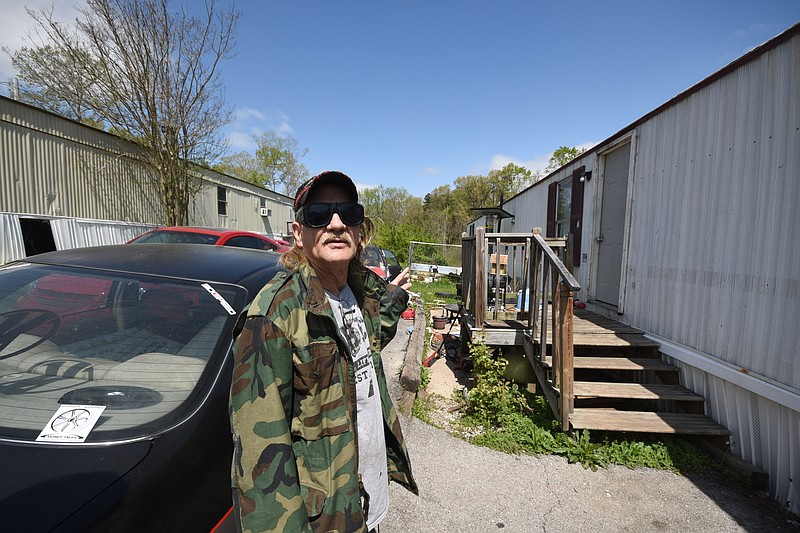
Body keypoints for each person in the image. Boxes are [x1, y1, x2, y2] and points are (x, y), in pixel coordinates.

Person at [230, 170, 418, 532]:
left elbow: (363, 352)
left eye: (348, 213)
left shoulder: (361, 294)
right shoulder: (274, 316)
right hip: (323, 521)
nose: (336, 223)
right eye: (318, 214)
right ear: (298, 233)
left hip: (363, 503)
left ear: (360, 231)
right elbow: (260, 459)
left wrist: (392, 296)